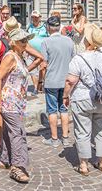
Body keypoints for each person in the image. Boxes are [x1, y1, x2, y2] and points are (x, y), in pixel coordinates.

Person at [0, 27, 42, 184]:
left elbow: (39, 58)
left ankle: (5, 160)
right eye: (22, 41)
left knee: (11, 132)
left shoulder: (19, 57)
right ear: (13, 43)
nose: (25, 43)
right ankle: (18, 166)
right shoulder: (10, 57)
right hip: (9, 102)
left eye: (26, 40)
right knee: (18, 133)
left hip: (17, 102)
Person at [0, 17, 44, 153]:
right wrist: (25, 70)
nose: (25, 42)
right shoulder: (23, 44)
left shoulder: (0, 43)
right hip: (14, 86)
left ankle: (0, 142)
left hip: (1, 83)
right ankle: (11, 148)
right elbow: (40, 57)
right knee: (13, 116)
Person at [63, 23, 102, 175]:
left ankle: (84, 165)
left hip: (83, 97)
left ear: (88, 42)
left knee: (83, 131)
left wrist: (66, 95)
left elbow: (71, 81)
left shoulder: (79, 59)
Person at [40, 16, 74, 148]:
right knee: (64, 109)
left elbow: (43, 64)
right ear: (59, 27)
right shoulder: (69, 41)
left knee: (52, 110)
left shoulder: (46, 42)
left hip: (52, 81)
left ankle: (54, 139)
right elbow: (73, 61)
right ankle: (65, 137)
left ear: (48, 27)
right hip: (65, 81)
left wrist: (41, 81)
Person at [26, 10, 48, 94]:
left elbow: (49, 38)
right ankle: (35, 87)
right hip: (31, 52)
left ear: (40, 18)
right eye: (33, 17)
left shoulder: (45, 27)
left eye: (36, 17)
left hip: (42, 52)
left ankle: (42, 84)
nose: (34, 19)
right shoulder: (29, 27)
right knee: (32, 69)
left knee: (43, 69)